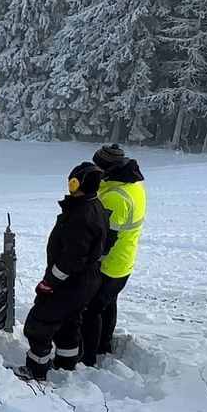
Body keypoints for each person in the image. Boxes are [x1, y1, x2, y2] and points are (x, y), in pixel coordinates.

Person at [19, 163, 109, 380]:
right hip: (86, 279)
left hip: (71, 281)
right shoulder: (95, 206)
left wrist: (50, 282)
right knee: (69, 322)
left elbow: (72, 259)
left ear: (76, 183)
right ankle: (65, 367)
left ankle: (35, 370)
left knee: (39, 324)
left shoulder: (81, 214)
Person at [81, 144, 146, 367]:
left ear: (107, 168)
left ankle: (88, 356)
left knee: (91, 309)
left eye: (98, 165)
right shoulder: (132, 187)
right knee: (108, 303)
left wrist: (90, 261)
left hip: (110, 263)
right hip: (124, 260)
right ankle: (104, 344)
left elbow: (105, 239)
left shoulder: (115, 197)